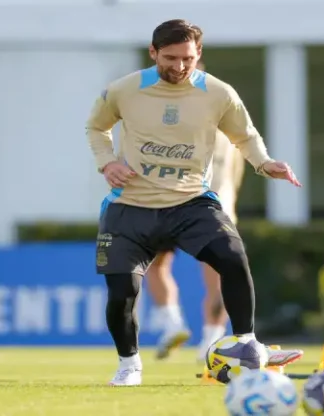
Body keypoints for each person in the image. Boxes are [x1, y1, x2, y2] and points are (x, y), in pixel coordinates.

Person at [86, 19, 304, 386]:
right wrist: (107, 162)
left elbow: (245, 136)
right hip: (130, 206)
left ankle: (249, 345)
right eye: (170, 58)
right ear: (153, 52)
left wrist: (264, 164)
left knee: (233, 257)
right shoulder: (124, 90)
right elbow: (96, 127)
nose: (179, 66)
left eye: (187, 58)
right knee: (122, 291)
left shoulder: (219, 93)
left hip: (191, 202)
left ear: (198, 54)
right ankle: (129, 365)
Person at [145, 58, 245, 362]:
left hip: (167, 202)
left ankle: (173, 322)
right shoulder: (225, 111)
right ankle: (211, 342)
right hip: (217, 204)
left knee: (156, 265)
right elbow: (237, 165)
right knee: (219, 274)